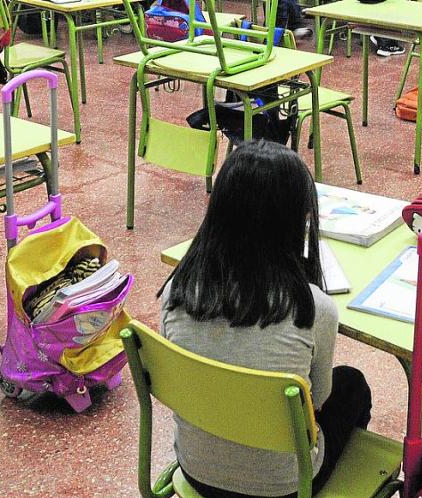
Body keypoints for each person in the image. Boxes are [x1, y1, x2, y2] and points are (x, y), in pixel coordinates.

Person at [158, 140, 373, 498]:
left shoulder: (175, 291)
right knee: (352, 385)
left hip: (195, 471)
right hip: (285, 488)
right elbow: (317, 400)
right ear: (297, 220)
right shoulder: (314, 308)